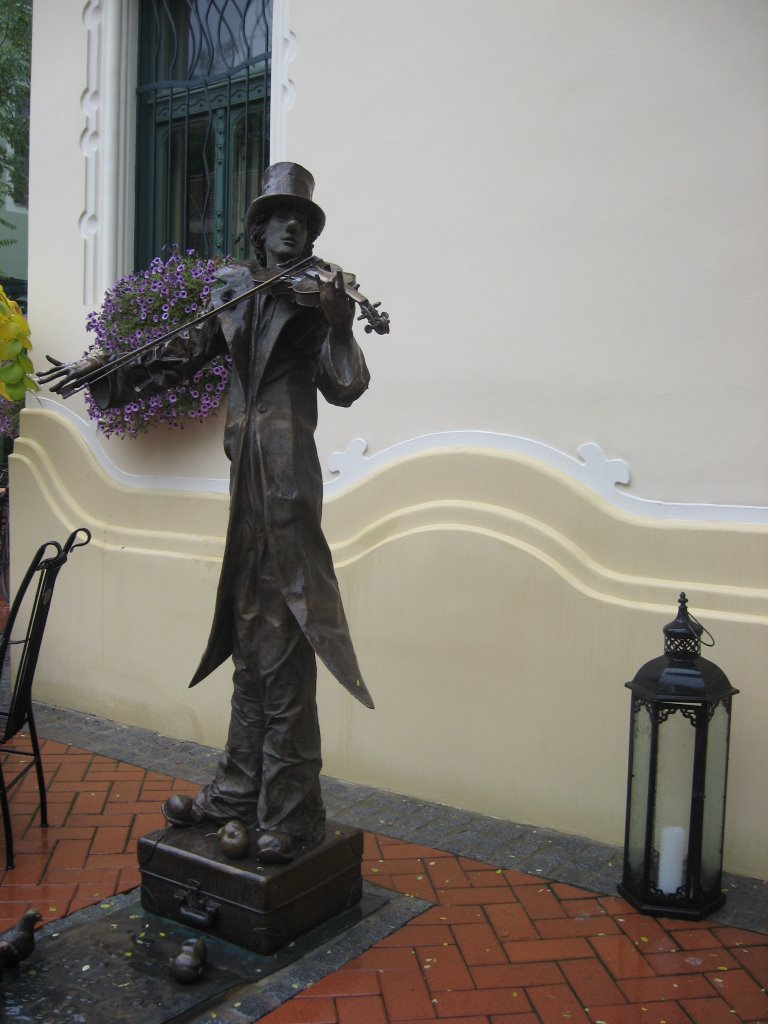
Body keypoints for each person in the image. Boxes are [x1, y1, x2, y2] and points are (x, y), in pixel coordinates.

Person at [40, 163, 374, 863]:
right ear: (257, 230)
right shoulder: (230, 289)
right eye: (279, 217)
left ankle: (289, 806)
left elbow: (347, 384)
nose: (291, 227)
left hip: (286, 472)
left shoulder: (320, 299)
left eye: (301, 220)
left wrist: (341, 321)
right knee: (251, 626)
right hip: (243, 476)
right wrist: (105, 373)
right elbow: (179, 357)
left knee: (287, 625)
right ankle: (236, 789)